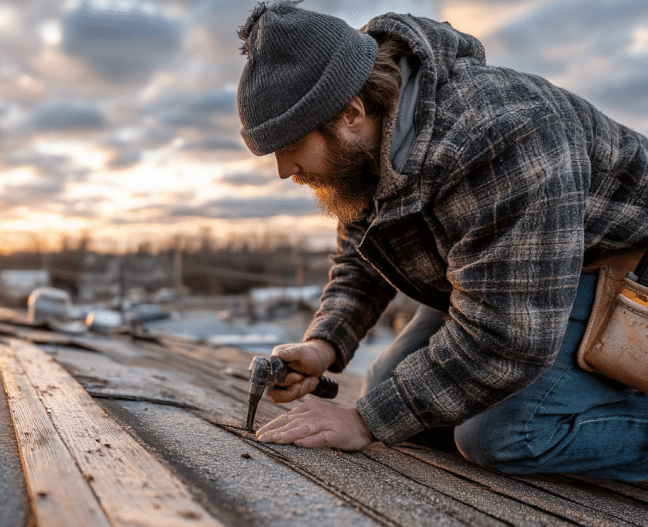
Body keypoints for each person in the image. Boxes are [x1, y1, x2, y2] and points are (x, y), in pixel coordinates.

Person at [236, 0, 648, 481]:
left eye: (290, 147)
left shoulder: (503, 134)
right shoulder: (371, 143)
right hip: (498, 271)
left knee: (497, 436)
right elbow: (363, 256)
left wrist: (365, 422)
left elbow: (510, 337)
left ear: (350, 113)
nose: (284, 171)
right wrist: (325, 344)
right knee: (392, 391)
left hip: (614, 273)